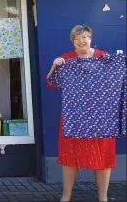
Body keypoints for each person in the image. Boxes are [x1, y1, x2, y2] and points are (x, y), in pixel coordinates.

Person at [46, 25, 114, 202]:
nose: (81, 41)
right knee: (70, 156)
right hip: (73, 117)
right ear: (72, 42)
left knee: (103, 157)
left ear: (90, 38)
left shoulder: (104, 57)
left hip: (101, 117)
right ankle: (66, 195)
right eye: (77, 39)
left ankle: (103, 198)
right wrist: (55, 65)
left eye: (84, 37)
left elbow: (116, 82)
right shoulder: (66, 59)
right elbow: (51, 83)